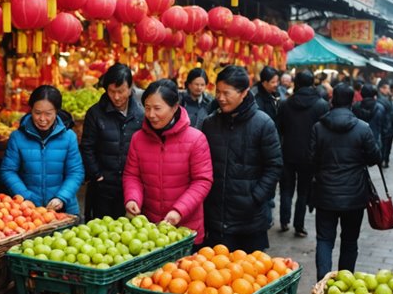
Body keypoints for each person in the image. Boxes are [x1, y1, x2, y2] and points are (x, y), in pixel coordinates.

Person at [200, 66, 282, 251]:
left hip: (250, 221)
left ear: (244, 92)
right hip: (216, 218)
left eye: (226, 93)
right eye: (217, 92)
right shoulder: (210, 123)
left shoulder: (263, 124)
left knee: (249, 276)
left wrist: (255, 197)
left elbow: (274, 166)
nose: (220, 98)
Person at [123, 80, 212, 244]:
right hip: (150, 231)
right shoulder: (138, 139)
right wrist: (132, 199)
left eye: (157, 108)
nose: (150, 114)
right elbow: (132, 175)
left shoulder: (196, 139)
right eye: (147, 108)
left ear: (175, 107)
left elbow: (202, 181)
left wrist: (179, 211)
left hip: (186, 228)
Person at [309, 83, 380, 279]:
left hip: (325, 193)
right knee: (349, 241)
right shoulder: (363, 128)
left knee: (324, 239)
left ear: (332, 100)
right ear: (352, 102)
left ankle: (322, 283)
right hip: (354, 195)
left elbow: (311, 159)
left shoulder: (318, 127)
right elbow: (375, 157)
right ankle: (344, 282)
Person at [1, 85, 84, 215]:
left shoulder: (69, 137)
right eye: (37, 113)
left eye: (48, 114)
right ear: (31, 110)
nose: (42, 119)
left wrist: (61, 197)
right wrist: (26, 196)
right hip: (28, 211)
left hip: (63, 210)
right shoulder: (17, 137)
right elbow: (8, 171)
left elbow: (76, 172)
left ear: (57, 111)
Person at [80, 64, 144, 219]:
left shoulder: (140, 115)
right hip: (102, 186)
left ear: (130, 89)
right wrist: (96, 174)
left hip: (130, 187)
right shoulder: (95, 114)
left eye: (121, 91)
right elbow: (87, 147)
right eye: (111, 91)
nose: (116, 97)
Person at [276, 70, 329, 237]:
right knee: (304, 191)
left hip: (288, 152)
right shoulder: (321, 105)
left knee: (286, 188)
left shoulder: (285, 104)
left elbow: (280, 129)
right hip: (309, 155)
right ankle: (299, 225)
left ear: (295, 83)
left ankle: (284, 220)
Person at [352, 84, 386, 152]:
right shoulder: (380, 108)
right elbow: (384, 127)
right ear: (374, 94)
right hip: (374, 141)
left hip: (358, 141)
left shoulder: (355, 106)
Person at [377, 80, 393, 168]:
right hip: (386, 127)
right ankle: (383, 160)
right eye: (387, 88)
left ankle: (384, 160)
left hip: (387, 127)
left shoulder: (387, 98)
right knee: (384, 145)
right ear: (381, 89)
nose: (388, 90)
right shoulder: (381, 100)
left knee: (386, 145)